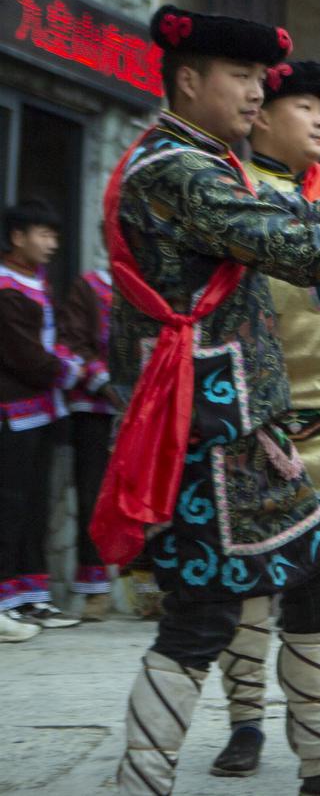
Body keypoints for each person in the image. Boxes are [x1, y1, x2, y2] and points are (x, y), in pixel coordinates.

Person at [97, 5, 320, 795]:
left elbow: (300, 212)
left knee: (312, 575)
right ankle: (141, 781)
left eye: (259, 80)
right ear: (189, 79)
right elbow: (289, 245)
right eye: (239, 77)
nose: (254, 92)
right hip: (202, 427)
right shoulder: (175, 169)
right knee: (201, 615)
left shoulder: (201, 159)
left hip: (238, 423)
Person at [211, 59, 320, 778]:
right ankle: (244, 721)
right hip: (260, 420)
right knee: (249, 590)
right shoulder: (233, 196)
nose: (317, 118)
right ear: (262, 114)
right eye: (300, 104)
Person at [0, 198, 85, 638]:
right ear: (17, 237)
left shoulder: (35, 282)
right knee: (9, 506)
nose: (52, 243)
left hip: (42, 412)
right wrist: (68, 369)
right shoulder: (5, 286)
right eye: (43, 234)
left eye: (54, 235)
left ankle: (31, 597)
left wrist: (65, 361)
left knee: (33, 507)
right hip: (12, 413)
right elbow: (24, 355)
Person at [55, 262, 119, 621]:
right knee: (94, 493)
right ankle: (95, 589)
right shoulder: (89, 287)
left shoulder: (153, 284)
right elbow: (73, 341)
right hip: (95, 408)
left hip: (147, 407)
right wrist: (106, 383)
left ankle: (148, 588)